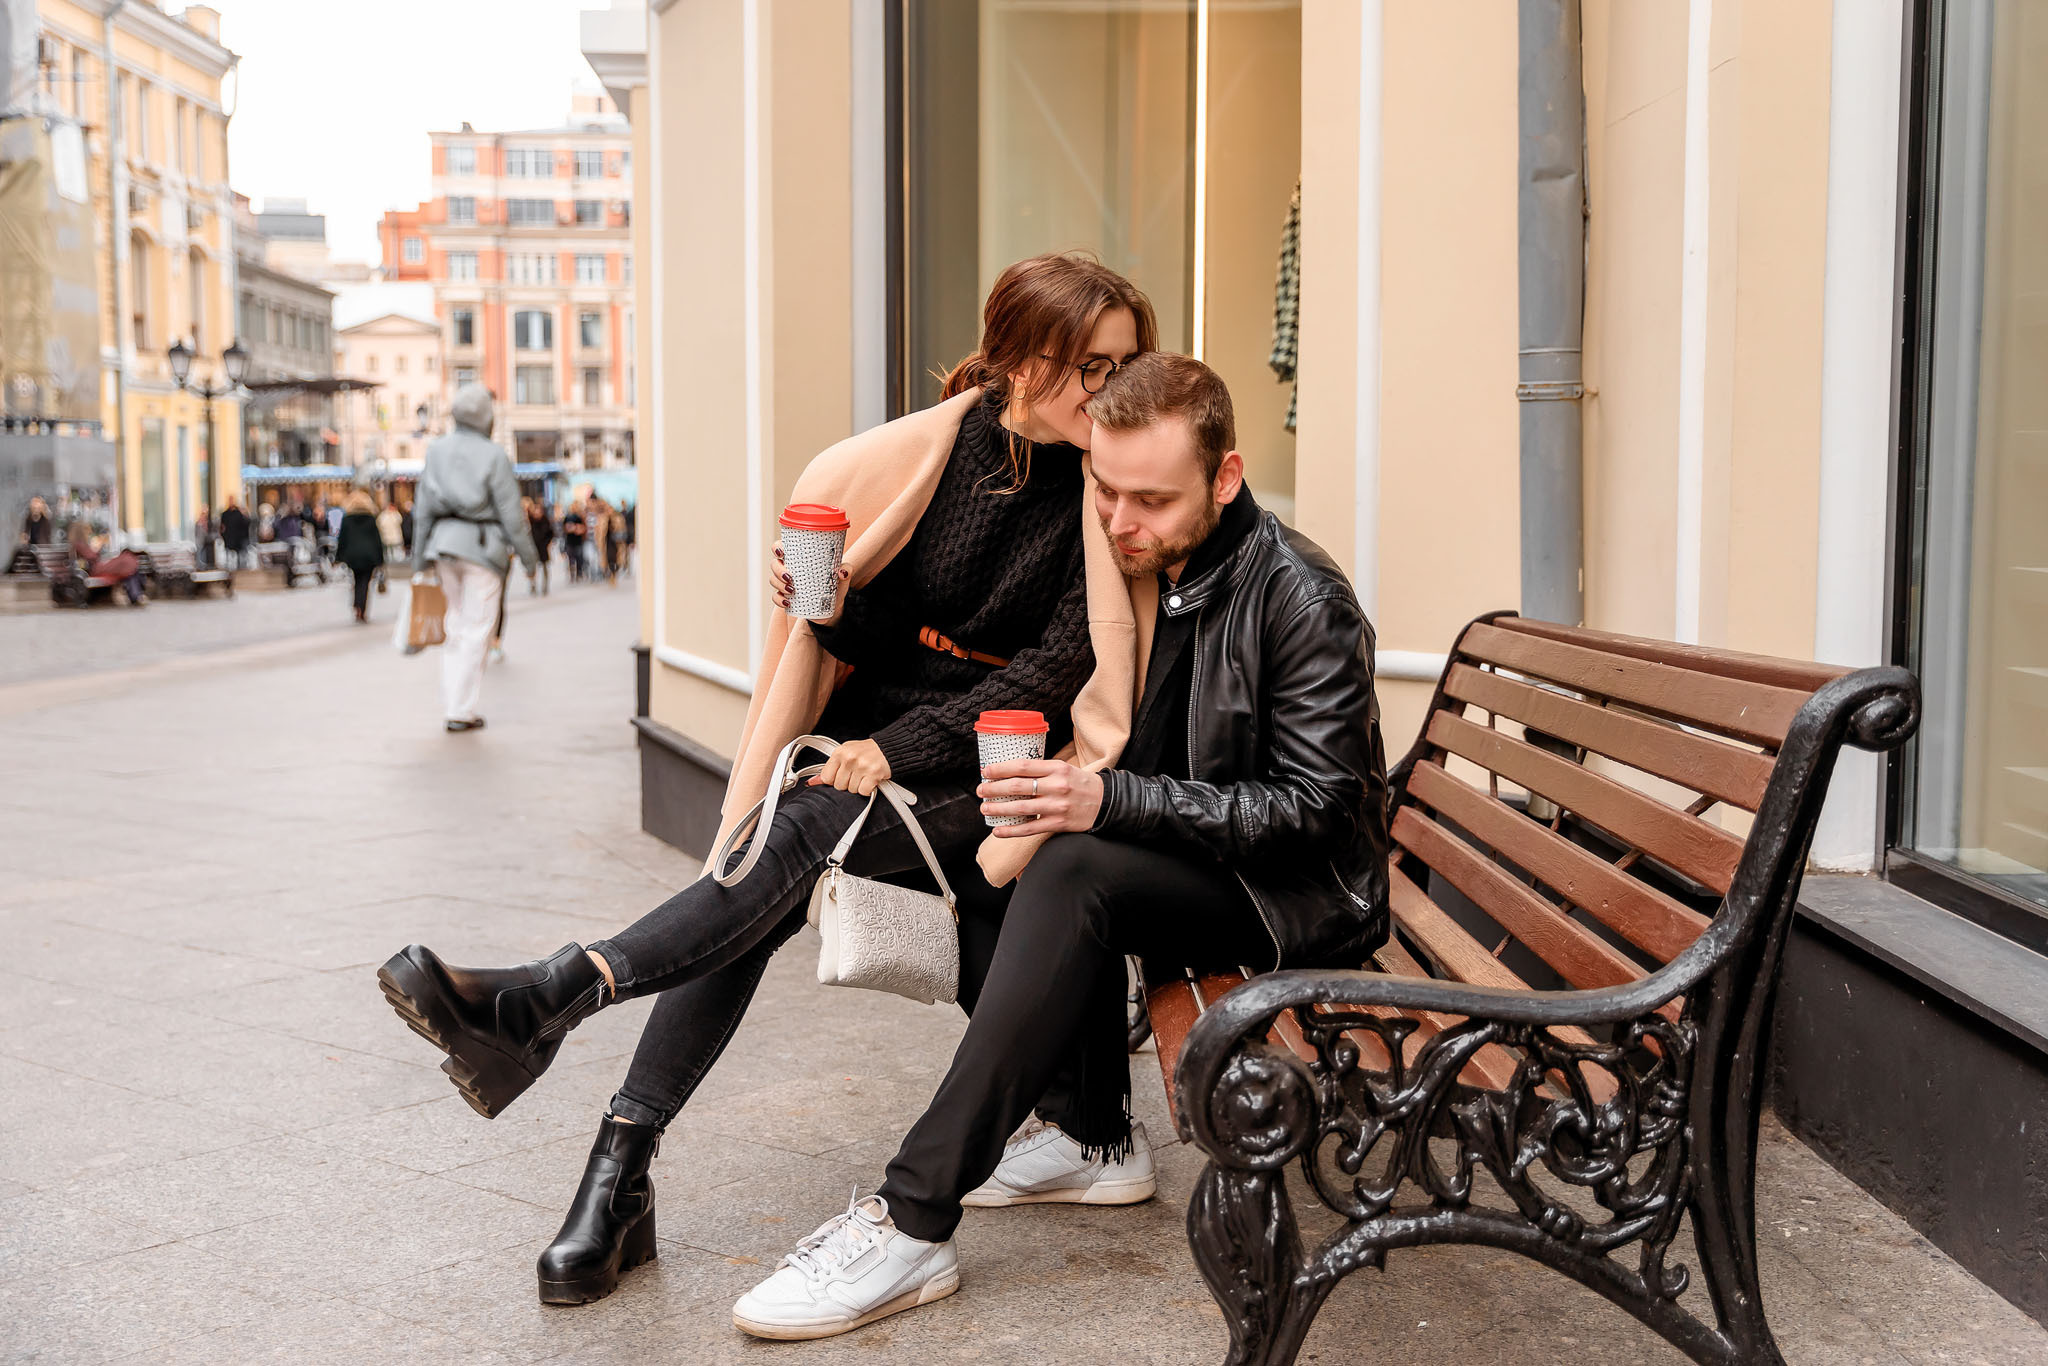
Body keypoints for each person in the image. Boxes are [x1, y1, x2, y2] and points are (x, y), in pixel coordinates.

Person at [375, 253, 1158, 1310]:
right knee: (769, 861)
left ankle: (566, 1014)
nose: (1106, 390)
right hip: (874, 751)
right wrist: (820, 603)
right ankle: (611, 1147)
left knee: (788, 837)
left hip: (1001, 765)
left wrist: (897, 748)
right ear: (1020, 357)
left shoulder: (1101, 492)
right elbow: (878, 628)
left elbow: (1056, 668)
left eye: (1122, 365)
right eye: (1085, 365)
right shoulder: (931, 457)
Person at [723, 353, 1391, 1340]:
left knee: (1072, 860)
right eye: (1106, 491)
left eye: (1151, 500)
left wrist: (1106, 795)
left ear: (1225, 476)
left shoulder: (1299, 598)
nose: (1122, 522)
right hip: (1212, 857)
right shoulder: (1149, 569)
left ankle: (909, 1220)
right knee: (1017, 842)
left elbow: (1320, 812)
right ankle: (1090, 1132)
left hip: (1295, 894)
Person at [410, 384, 539, 732]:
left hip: (444, 546)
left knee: (455, 625)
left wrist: (419, 560)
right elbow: (512, 515)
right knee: (477, 627)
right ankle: (461, 710)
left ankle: (454, 703)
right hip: (483, 548)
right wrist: (530, 560)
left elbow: (422, 510)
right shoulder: (493, 455)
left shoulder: (436, 451)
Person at [335, 485, 386, 624]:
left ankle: (357, 606)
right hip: (369, 556)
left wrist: (338, 557)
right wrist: (381, 559)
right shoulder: (371, 519)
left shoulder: (347, 520)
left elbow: (342, 540)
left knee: (357, 580)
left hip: (353, 556)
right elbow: (377, 540)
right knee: (365, 582)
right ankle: (361, 608)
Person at [67, 520, 146, 605]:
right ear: (81, 532)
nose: (89, 534)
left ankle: (136, 595)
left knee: (128, 567)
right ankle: (136, 595)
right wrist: (97, 547)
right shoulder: (80, 544)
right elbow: (92, 557)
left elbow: (92, 556)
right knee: (126, 562)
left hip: (97, 567)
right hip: (95, 569)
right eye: (87, 531)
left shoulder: (80, 544)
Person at [525, 497, 555, 595]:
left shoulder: (545, 521)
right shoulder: (531, 521)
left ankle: (545, 586)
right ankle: (533, 585)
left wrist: (547, 543)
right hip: (533, 548)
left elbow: (551, 534)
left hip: (543, 548)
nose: (537, 513)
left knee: (545, 567)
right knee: (532, 568)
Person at [560, 499, 587, 583]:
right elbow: (564, 528)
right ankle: (572, 575)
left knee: (579, 558)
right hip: (570, 541)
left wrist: (577, 528)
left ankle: (579, 573)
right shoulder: (567, 517)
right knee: (570, 559)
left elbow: (583, 528)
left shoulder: (580, 517)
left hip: (578, 541)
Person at [220, 496, 251, 568]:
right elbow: (222, 526)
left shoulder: (239, 514)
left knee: (240, 554)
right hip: (229, 537)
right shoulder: (225, 514)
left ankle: (240, 566)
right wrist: (223, 535)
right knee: (229, 554)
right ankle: (229, 566)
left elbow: (246, 523)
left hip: (239, 538)